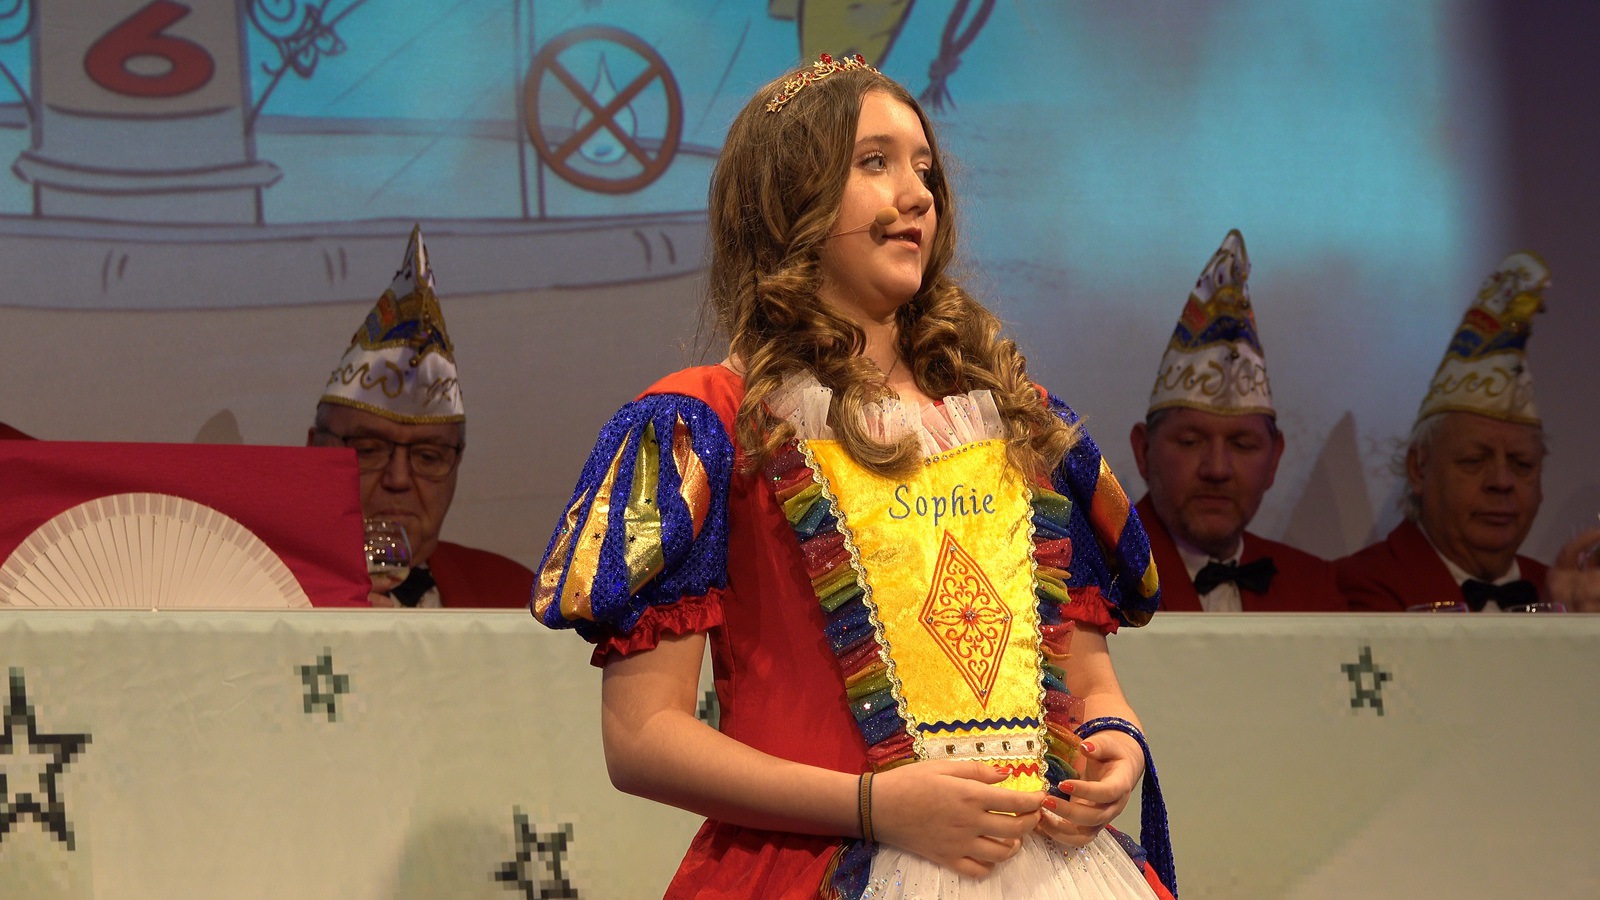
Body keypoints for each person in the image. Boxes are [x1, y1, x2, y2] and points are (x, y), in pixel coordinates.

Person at [533, 56, 1175, 899]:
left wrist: (1113, 742)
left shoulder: (1014, 417)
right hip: (824, 867)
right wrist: (874, 806)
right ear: (787, 199)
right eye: (874, 162)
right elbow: (641, 737)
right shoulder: (711, 424)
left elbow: (1088, 681)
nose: (917, 195)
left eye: (923, 169)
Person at [308, 226, 533, 609]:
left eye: (429, 456)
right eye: (368, 450)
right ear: (315, 452)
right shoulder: (252, 601)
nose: (398, 479)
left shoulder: (514, 600)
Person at [1129, 230, 1345, 613]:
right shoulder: (1096, 580)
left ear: (1274, 459)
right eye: (1190, 441)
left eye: (1242, 445)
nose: (1217, 469)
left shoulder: (1314, 590)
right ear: (1143, 451)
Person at [1337, 252, 1565, 612]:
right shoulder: (1354, 587)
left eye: (1522, 464)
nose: (1502, 482)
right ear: (1418, 468)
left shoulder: (1559, 593)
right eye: (1474, 460)